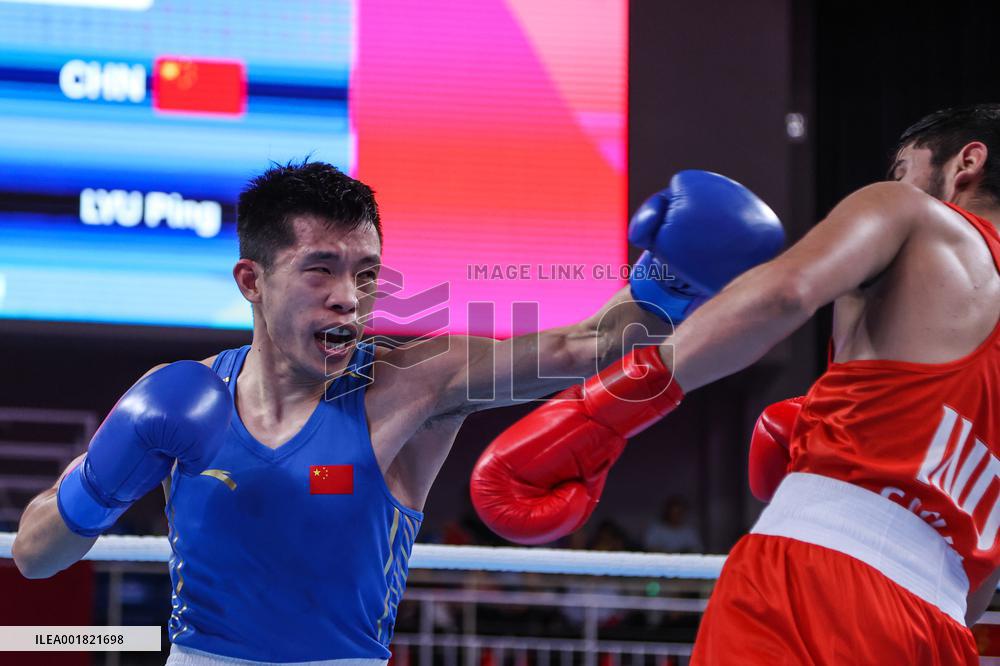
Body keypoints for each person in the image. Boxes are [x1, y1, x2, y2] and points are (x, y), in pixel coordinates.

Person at [10, 162, 783, 665]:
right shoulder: (177, 399)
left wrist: (665, 280)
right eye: (320, 269)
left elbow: (591, 345)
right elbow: (36, 558)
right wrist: (95, 489)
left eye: (367, 273)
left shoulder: (413, 383)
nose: (350, 295)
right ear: (251, 279)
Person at [470, 104, 1000, 664]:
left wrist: (603, 413)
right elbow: (979, 587)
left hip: (813, 585)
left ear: (967, 161)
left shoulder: (910, 214)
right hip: (943, 631)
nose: (896, 183)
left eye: (902, 169)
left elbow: (785, 295)